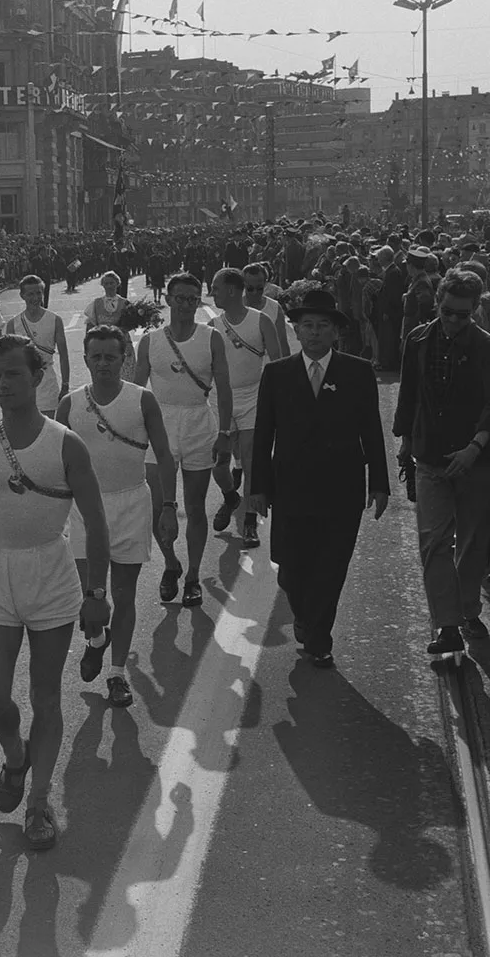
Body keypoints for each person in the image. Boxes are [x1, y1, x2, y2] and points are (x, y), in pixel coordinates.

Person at [0, 335, 112, 851]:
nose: (3, 383)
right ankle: (16, 755)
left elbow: (96, 524)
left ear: (37, 378)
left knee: (46, 697)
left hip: (52, 578)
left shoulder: (65, 443)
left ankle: (38, 802)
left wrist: (96, 591)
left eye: (13, 374)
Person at [251, 290, 390, 668]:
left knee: (331, 566)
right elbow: (263, 434)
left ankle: (319, 638)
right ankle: (305, 616)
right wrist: (258, 488)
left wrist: (379, 482)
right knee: (291, 568)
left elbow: (372, 431)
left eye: (322, 326)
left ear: (335, 332)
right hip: (291, 488)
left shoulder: (358, 372)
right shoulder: (277, 374)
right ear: (296, 330)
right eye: (307, 326)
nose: (314, 333)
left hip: (342, 488)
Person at [58, 325, 178, 705]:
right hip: (85, 512)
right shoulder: (70, 404)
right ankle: (96, 638)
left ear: (124, 357)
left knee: (124, 597)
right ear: (86, 359)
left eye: (112, 356)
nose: (104, 363)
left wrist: (170, 507)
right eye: (97, 357)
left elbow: (164, 457)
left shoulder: (142, 400)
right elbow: (54, 465)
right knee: (90, 601)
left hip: (131, 505)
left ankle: (116, 674)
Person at [393, 268, 490, 657]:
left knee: (473, 545)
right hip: (430, 458)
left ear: (475, 313)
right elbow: (409, 396)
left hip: (476, 461)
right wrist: (404, 447)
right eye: (448, 311)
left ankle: (467, 609)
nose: (453, 321)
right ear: (437, 304)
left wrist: (476, 446)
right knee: (433, 544)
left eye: (462, 315)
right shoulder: (418, 339)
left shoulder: (486, 347)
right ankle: (447, 625)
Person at [133, 271, 233, 608]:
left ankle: (191, 576)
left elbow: (224, 388)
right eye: (181, 298)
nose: (187, 305)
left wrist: (224, 433)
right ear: (168, 300)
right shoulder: (150, 341)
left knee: (194, 506)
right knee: (158, 506)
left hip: (196, 423)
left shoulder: (211, 338)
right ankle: (170, 563)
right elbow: (135, 392)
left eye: (193, 298)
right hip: (159, 427)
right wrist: (133, 434)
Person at [208, 268, 282, 548]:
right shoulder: (213, 326)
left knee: (252, 463)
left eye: (216, 287)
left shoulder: (261, 321)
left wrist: (277, 401)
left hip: (253, 398)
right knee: (218, 464)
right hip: (221, 401)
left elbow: (277, 362)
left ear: (231, 290)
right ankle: (230, 497)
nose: (212, 292)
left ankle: (249, 523)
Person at [4, 274, 68, 416]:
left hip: (47, 382)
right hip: (22, 384)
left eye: (39, 293)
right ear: (22, 295)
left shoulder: (55, 319)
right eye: (30, 294)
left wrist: (65, 385)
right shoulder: (13, 324)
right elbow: (8, 361)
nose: (35, 298)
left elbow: (63, 355)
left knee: (48, 427)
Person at [84, 271, 136, 381]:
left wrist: (123, 328)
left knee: (125, 374)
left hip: (122, 343)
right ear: (102, 285)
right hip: (101, 343)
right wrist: (88, 344)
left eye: (112, 283)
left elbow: (132, 324)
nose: (109, 286)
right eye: (106, 283)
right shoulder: (96, 303)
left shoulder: (125, 303)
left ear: (117, 284)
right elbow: (90, 325)